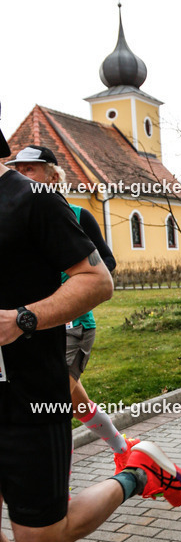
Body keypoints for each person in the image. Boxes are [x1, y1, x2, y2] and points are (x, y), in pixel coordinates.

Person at [0, 139, 181, 542]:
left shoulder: (32, 200)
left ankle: (138, 475)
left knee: (41, 538)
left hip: (27, 397)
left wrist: (25, 319)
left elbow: (98, 279)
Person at [10, 146, 138, 471]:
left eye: (30, 169)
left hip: (74, 326)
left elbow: (105, 265)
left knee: (53, 404)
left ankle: (57, 488)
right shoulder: (17, 218)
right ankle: (124, 450)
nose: (21, 175)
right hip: (36, 331)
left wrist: (70, 277)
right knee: (75, 401)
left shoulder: (79, 214)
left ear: (54, 175)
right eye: (18, 169)